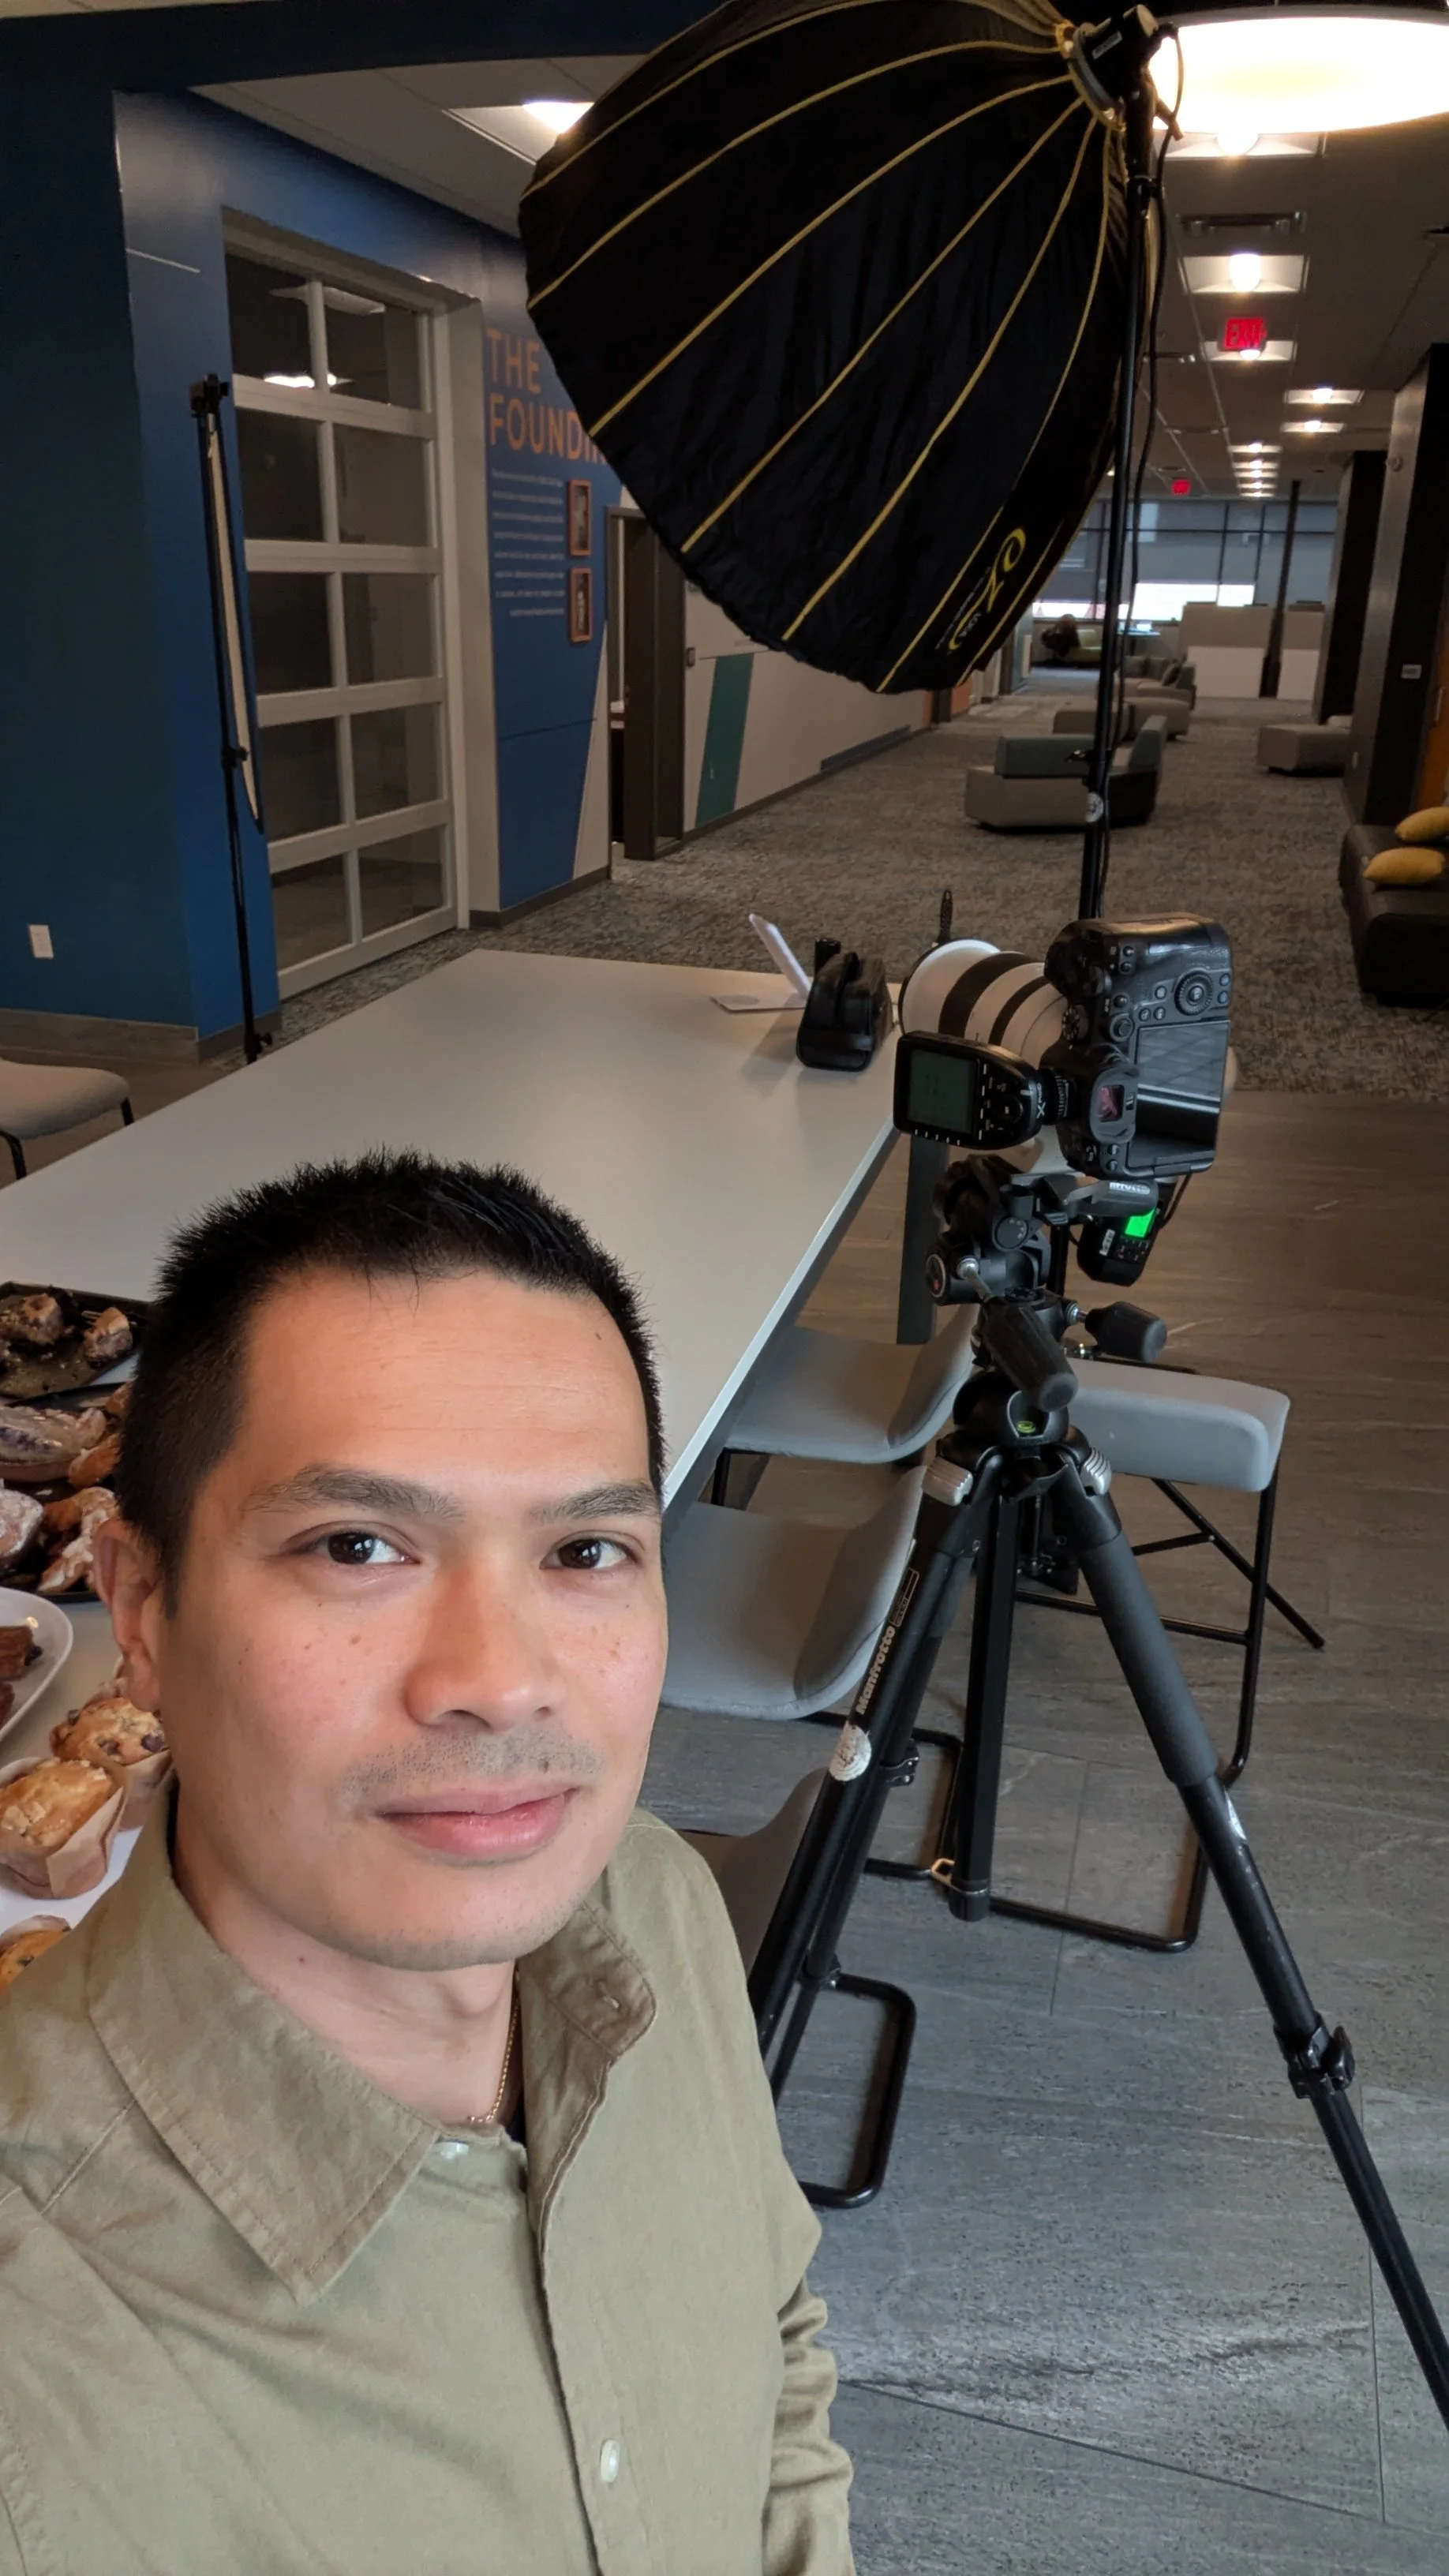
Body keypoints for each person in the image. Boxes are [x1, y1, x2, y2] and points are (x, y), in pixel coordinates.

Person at [0, 1154, 854, 2575]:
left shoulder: (658, 1901)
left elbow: (779, 2344)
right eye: (358, 1545)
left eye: (585, 1550)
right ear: (139, 1612)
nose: (501, 1682)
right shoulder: (41, 2355)